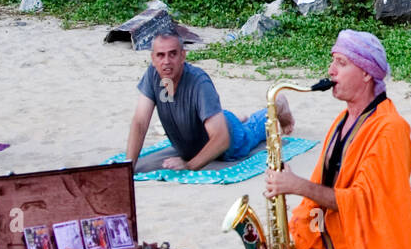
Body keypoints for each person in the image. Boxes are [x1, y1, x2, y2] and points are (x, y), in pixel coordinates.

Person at [260, 29, 411, 249]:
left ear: (366, 74)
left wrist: (295, 185)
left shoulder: (390, 130)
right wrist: (292, 241)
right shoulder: (341, 121)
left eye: (341, 63)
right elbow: (316, 199)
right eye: (332, 61)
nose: (330, 70)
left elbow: (364, 203)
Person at [125, 31, 292, 172]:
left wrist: (189, 165)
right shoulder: (153, 76)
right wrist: (128, 167)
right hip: (205, 127)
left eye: (173, 54)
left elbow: (222, 140)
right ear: (153, 59)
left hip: (228, 144)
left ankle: (277, 105)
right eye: (160, 55)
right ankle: (232, 117)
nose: (166, 61)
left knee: (251, 132)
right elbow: (140, 123)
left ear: (183, 56)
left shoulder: (199, 83)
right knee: (220, 119)